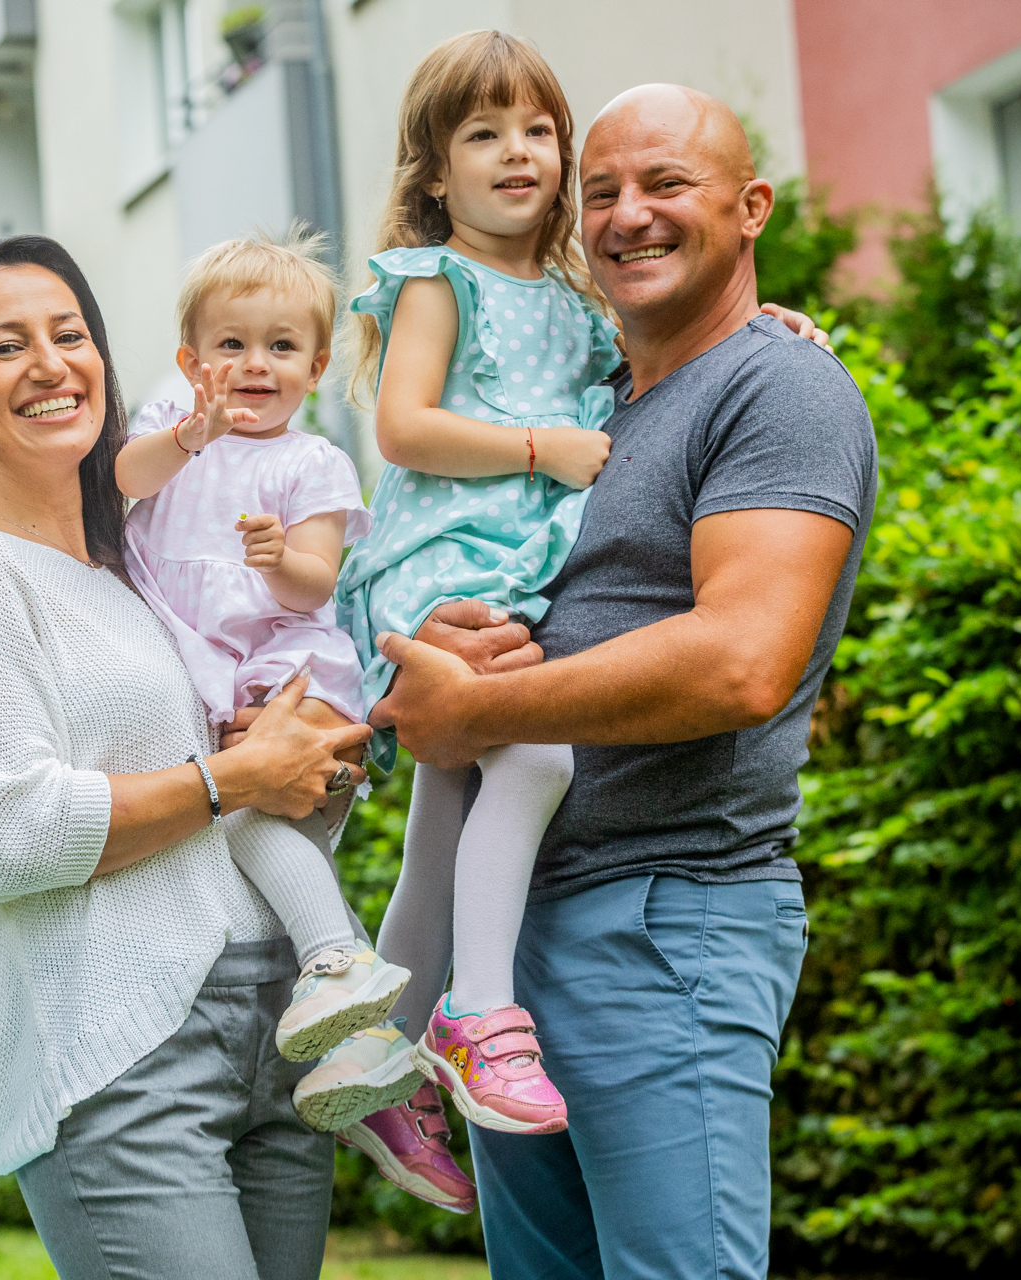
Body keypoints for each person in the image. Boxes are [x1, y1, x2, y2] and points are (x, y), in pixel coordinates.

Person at [367, 83, 879, 1279]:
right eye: (600, 193)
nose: (628, 216)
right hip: (516, 946)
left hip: (669, 919)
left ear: (751, 208)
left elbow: (743, 658)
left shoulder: (779, 387)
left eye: (666, 186)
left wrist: (482, 704)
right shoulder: (583, 407)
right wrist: (444, 635)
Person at [0, 234, 372, 1280]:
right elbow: (11, 835)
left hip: (278, 1017)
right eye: (7, 347)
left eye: (71, 334)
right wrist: (232, 776)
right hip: (127, 1046)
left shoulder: (134, 569)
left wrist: (312, 767)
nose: (53, 363)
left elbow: (235, 807)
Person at [115, 228, 422, 1131]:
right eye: (232, 346)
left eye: (282, 347)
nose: (256, 365)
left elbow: (316, 583)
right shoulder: (172, 430)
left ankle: (342, 962)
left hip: (284, 663)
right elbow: (127, 480)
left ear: (317, 364)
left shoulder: (310, 462)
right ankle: (369, 1061)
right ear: (191, 359)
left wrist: (280, 555)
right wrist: (187, 435)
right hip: (209, 668)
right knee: (266, 861)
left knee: (252, 817)